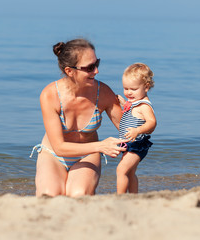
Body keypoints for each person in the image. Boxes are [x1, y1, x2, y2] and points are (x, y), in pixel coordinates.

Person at [30, 38, 127, 197]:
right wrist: (101, 146)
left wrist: (134, 107)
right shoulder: (50, 95)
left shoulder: (103, 93)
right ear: (70, 71)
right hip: (53, 155)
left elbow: (129, 131)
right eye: (90, 67)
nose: (96, 71)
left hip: (87, 156)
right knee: (49, 195)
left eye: (97, 64)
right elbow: (59, 147)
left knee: (78, 195)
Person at [116, 63, 157, 194]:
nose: (129, 92)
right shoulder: (135, 103)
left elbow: (152, 123)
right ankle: (134, 196)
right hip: (131, 144)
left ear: (146, 87)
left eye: (133, 89)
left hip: (137, 144)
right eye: (125, 88)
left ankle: (119, 196)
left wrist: (137, 130)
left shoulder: (144, 106)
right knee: (130, 172)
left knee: (121, 170)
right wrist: (124, 104)